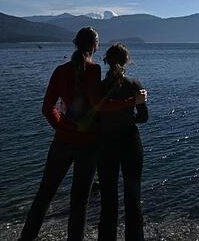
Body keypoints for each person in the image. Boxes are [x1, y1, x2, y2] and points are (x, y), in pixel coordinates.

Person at [20, 28, 147, 241]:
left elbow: (47, 109)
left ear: (75, 43)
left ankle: (26, 238)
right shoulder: (93, 70)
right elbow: (99, 104)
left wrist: (63, 128)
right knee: (79, 201)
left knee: (44, 195)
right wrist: (131, 102)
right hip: (88, 144)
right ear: (96, 46)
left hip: (62, 142)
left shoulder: (60, 71)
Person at [97, 43, 149, 241]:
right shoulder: (134, 85)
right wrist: (129, 117)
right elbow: (144, 117)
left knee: (108, 199)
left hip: (106, 144)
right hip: (130, 142)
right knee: (133, 197)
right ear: (127, 60)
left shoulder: (100, 87)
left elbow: (96, 117)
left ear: (106, 61)